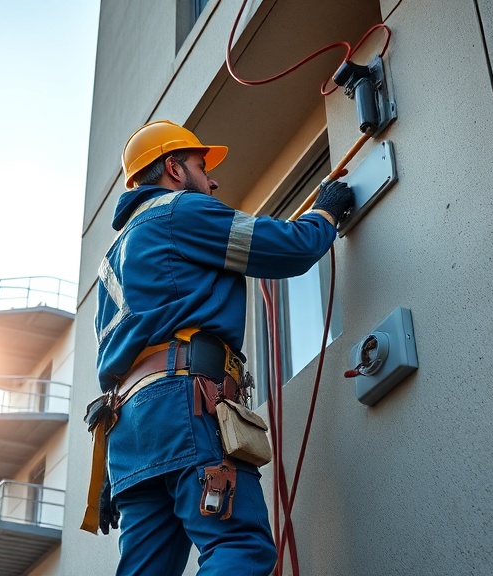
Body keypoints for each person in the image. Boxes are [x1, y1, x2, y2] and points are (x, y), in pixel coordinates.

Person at [84, 119, 354, 575]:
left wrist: (114, 473)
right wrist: (324, 213)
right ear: (173, 167)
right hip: (185, 405)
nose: (212, 180)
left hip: (128, 434)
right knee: (239, 548)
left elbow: (119, 364)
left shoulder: (112, 260)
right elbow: (288, 247)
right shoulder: (179, 212)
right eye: (200, 165)